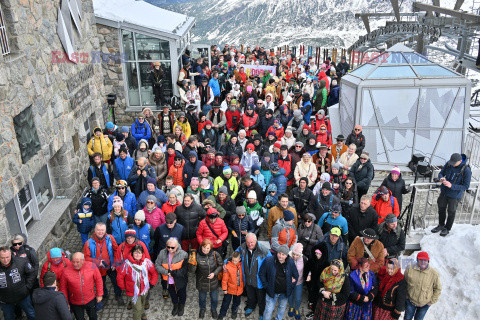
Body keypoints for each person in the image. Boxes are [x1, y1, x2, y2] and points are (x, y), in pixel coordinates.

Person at [432, 153, 472, 236]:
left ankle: (447, 228)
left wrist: (452, 186)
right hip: (444, 192)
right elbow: (441, 173)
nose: (452, 164)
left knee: (451, 212)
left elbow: (466, 186)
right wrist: (441, 178)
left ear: (460, 161)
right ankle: (441, 225)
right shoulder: (449, 163)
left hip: (455, 196)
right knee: (441, 209)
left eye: (454, 163)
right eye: (451, 163)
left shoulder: (466, 170)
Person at [83, 223, 123, 306]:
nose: (100, 232)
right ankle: (104, 296)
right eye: (98, 230)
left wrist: (115, 264)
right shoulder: (88, 243)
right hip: (97, 268)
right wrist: (98, 262)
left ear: (105, 231)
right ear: (95, 230)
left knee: (116, 281)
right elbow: (86, 259)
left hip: (110, 266)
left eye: (102, 230)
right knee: (101, 283)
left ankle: (118, 295)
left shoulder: (110, 238)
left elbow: (116, 250)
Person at [117, 244, 158, 320]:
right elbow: (120, 277)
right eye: (135, 252)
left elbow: (154, 273)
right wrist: (123, 287)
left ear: (142, 254)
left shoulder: (147, 262)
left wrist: (152, 283)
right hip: (132, 292)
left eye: (139, 252)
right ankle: (138, 316)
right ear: (132, 253)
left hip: (144, 290)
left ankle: (142, 313)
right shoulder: (126, 264)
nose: (137, 254)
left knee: (142, 303)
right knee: (137, 309)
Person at [259, 245, 299, 320]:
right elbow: (261, 273)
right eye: (279, 253)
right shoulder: (268, 261)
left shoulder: (290, 262)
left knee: (281, 308)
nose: (280, 256)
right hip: (271, 291)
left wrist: (291, 286)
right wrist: (266, 286)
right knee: (268, 310)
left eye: (283, 254)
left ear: (287, 255)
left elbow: (296, 275)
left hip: (284, 293)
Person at [60, 252, 103, 320]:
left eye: (77, 262)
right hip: (75, 301)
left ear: (83, 260)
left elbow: (98, 280)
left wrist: (99, 294)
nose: (75, 264)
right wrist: (66, 302)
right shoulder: (66, 271)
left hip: (90, 299)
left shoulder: (92, 266)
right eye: (73, 262)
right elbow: (63, 288)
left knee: (93, 317)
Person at [237, 233, 270, 318]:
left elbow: (270, 263)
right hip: (248, 279)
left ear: (256, 241)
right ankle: (251, 306)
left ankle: (262, 313)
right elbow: (234, 255)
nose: (249, 244)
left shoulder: (264, 250)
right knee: (250, 295)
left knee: (261, 299)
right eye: (248, 242)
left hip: (259, 281)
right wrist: (225, 263)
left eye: (252, 242)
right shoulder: (242, 247)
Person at [0, 246, 36, 320]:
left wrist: (27, 287)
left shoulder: (20, 261)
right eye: (2, 258)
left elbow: (32, 273)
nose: (5, 260)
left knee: (31, 314)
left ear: (11, 255)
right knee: (8, 318)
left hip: (23, 296)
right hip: (5, 300)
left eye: (7, 257)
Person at [155, 238, 189, 316]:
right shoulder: (162, 253)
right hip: (167, 279)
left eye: (172, 247)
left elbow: (184, 269)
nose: (170, 249)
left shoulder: (184, 254)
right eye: (168, 247)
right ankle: (175, 305)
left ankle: (181, 306)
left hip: (180, 280)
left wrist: (173, 273)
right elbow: (157, 265)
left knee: (182, 294)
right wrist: (166, 272)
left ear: (177, 246)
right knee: (173, 294)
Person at [404, 252, 442, 320]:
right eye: (420, 260)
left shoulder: (434, 274)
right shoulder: (409, 268)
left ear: (428, 261)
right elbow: (404, 282)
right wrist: (406, 295)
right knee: (407, 318)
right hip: (410, 301)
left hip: (424, 304)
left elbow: (438, 289)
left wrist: (431, 301)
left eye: (425, 260)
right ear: (417, 260)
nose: (423, 262)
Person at [194, 239, 223, 319]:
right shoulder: (196, 255)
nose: (205, 250)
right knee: (202, 298)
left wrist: (214, 273)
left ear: (211, 248)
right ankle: (202, 309)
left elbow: (221, 265)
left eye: (207, 248)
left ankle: (213, 309)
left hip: (213, 281)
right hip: (201, 281)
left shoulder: (215, 254)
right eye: (204, 247)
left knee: (214, 298)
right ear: (201, 246)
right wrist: (192, 264)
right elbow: (191, 271)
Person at [218, 251, 244, 320]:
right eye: (233, 260)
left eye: (236, 261)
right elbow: (224, 280)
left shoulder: (242, 266)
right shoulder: (228, 267)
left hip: (239, 289)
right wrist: (224, 289)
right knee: (226, 302)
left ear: (239, 259)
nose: (234, 262)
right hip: (229, 289)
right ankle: (222, 314)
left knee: (236, 302)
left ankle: (234, 311)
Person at [287, 243, 307, 320]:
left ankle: (297, 309)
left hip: (299, 282)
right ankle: (291, 307)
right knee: (290, 296)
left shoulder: (304, 259)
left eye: (297, 255)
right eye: (294, 254)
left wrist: (309, 275)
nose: (295, 256)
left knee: (298, 298)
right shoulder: (288, 258)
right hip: (290, 282)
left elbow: (308, 268)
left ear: (300, 255)